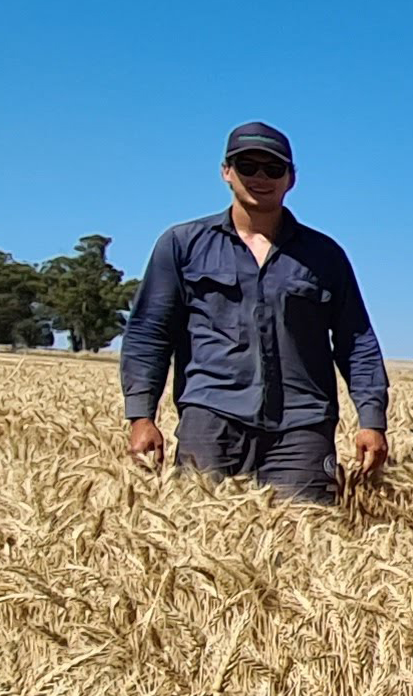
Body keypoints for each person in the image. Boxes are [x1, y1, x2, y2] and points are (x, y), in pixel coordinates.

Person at [118, 121, 389, 503]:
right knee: (200, 541)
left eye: (273, 168)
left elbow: (356, 341)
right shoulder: (182, 245)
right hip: (211, 421)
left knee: (308, 544)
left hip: (302, 429)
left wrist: (372, 420)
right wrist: (141, 416)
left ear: (291, 178)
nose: (260, 177)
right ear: (226, 171)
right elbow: (149, 333)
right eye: (248, 166)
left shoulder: (325, 256)